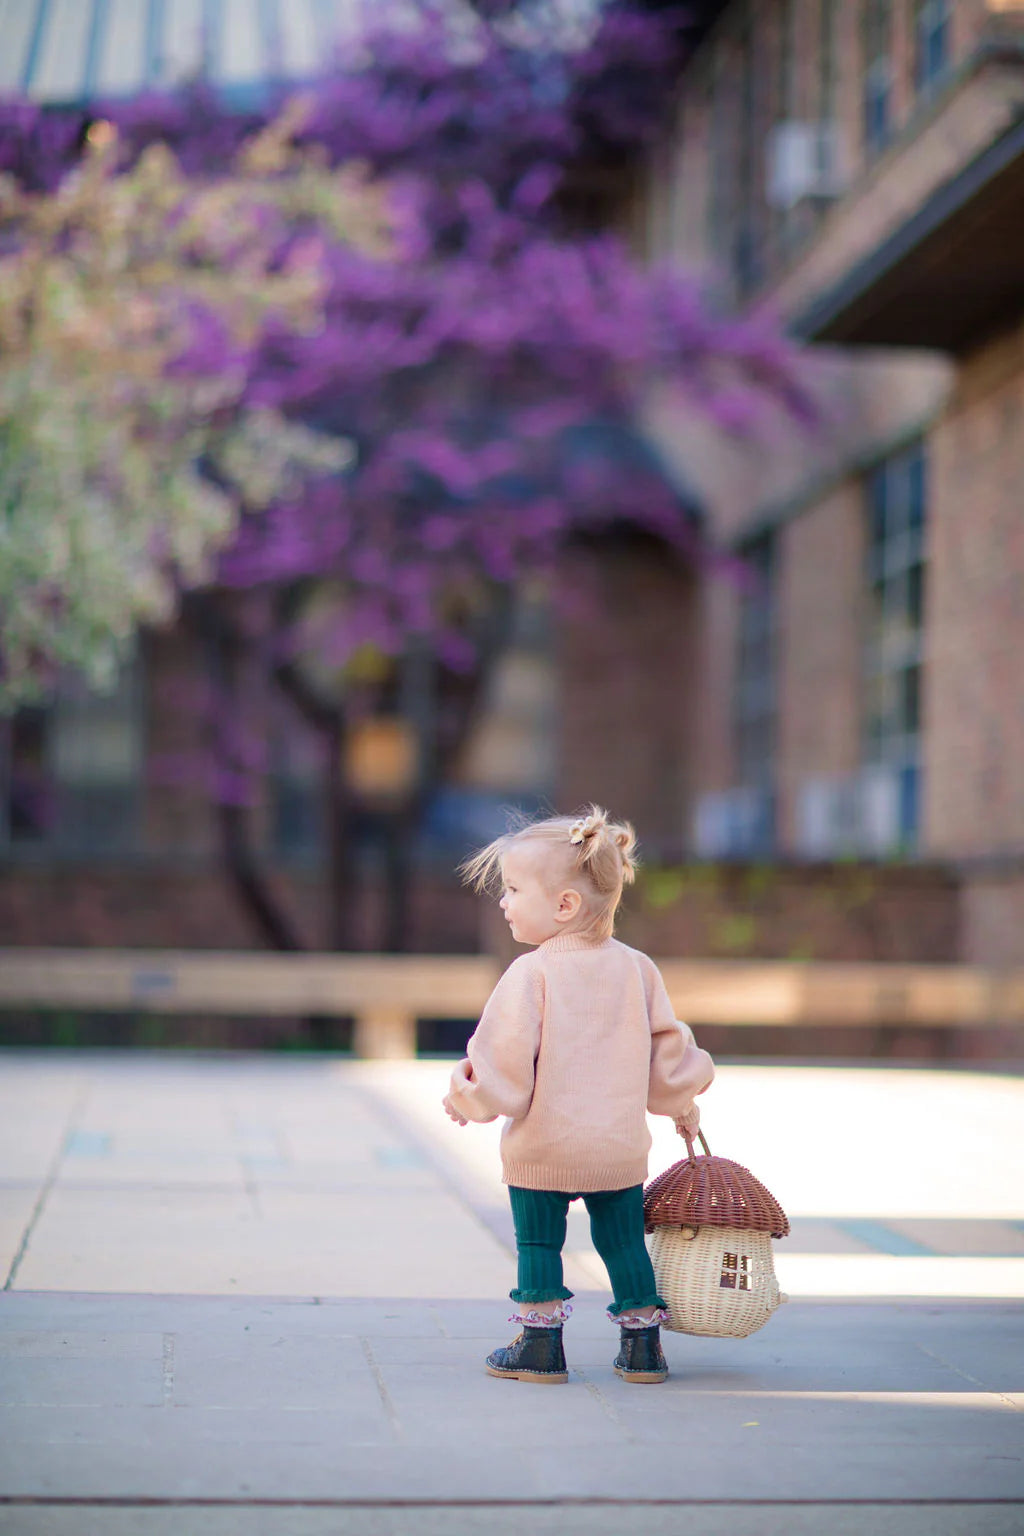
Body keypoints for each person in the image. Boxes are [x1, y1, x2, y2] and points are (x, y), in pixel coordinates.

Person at [442, 805, 714, 1385]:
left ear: (564, 905)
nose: (503, 900)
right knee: (624, 1247)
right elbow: (665, 1053)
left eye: (513, 889)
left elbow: (502, 1065)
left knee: (539, 1242)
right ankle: (643, 1348)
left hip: (542, 1149)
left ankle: (540, 1347)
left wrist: (469, 1100)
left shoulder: (530, 974)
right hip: (617, 1150)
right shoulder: (638, 970)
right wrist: (682, 1104)